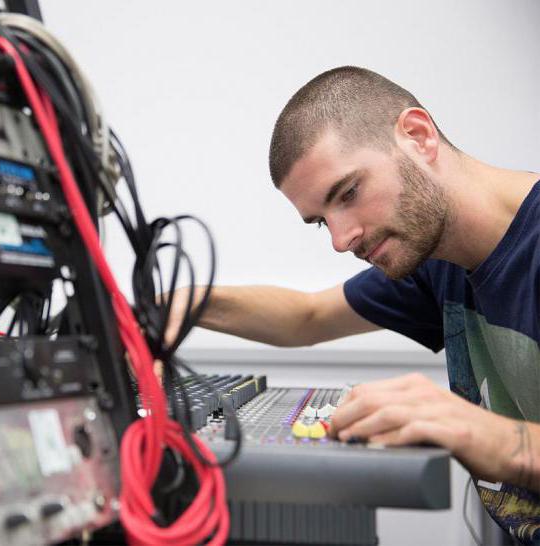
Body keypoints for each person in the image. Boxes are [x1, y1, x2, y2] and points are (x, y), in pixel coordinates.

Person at [166, 66, 540, 543]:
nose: (342, 241)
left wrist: (487, 435)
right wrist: (186, 301)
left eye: (349, 193)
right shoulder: (436, 258)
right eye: (321, 222)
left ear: (418, 136)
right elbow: (308, 317)